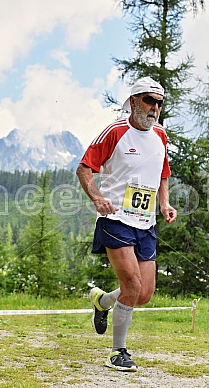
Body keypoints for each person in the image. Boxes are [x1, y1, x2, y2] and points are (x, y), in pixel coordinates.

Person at [76, 77, 177, 372]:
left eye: (159, 103)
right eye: (148, 101)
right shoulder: (115, 131)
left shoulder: (160, 135)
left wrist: (164, 203)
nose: (154, 108)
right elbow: (84, 168)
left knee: (143, 293)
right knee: (131, 284)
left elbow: (163, 173)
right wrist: (97, 198)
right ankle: (117, 351)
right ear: (133, 102)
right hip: (115, 219)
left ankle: (102, 301)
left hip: (145, 223)